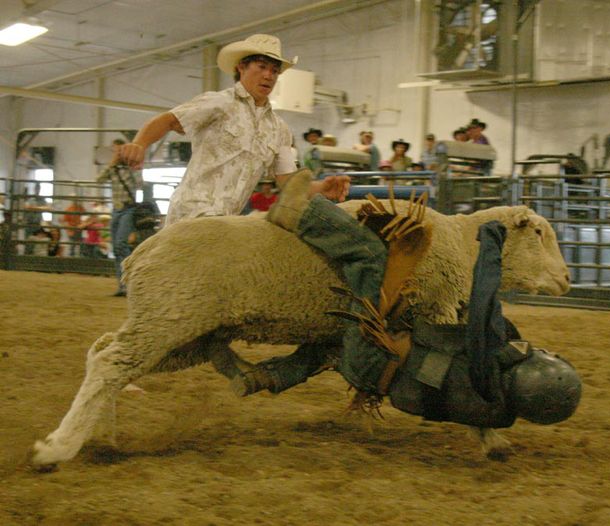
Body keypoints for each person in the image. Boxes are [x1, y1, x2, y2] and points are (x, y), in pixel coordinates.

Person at [231, 189, 582, 429]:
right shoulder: (496, 411)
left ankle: (301, 211)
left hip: (377, 361)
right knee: (332, 347)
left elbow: (482, 304)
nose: (539, 350)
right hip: (376, 376)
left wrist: (491, 243)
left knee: (369, 262)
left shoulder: (485, 363)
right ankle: (266, 377)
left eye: (544, 357)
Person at [119, 34, 349, 226]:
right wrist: (139, 144)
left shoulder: (280, 130)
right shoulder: (218, 104)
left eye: (274, 70)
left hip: (227, 223)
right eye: (261, 67)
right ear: (241, 67)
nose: (268, 75)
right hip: (190, 215)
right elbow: (169, 120)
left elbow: (287, 181)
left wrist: (319, 188)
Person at [97, 139, 143, 296]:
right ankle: (123, 285)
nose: (117, 154)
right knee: (117, 248)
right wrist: (112, 163)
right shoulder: (113, 169)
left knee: (121, 245)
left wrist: (132, 167)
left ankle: (129, 282)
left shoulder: (132, 167)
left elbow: (139, 184)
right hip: (116, 210)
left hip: (128, 209)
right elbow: (99, 180)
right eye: (115, 151)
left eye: (119, 151)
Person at [23, 183, 52, 255]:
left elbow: (48, 208)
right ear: (34, 189)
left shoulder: (42, 199)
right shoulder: (31, 198)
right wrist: (39, 208)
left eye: (38, 188)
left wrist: (34, 208)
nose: (37, 190)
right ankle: (27, 258)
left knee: (36, 243)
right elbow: (26, 207)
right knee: (28, 242)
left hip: (37, 224)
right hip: (29, 224)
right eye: (36, 188)